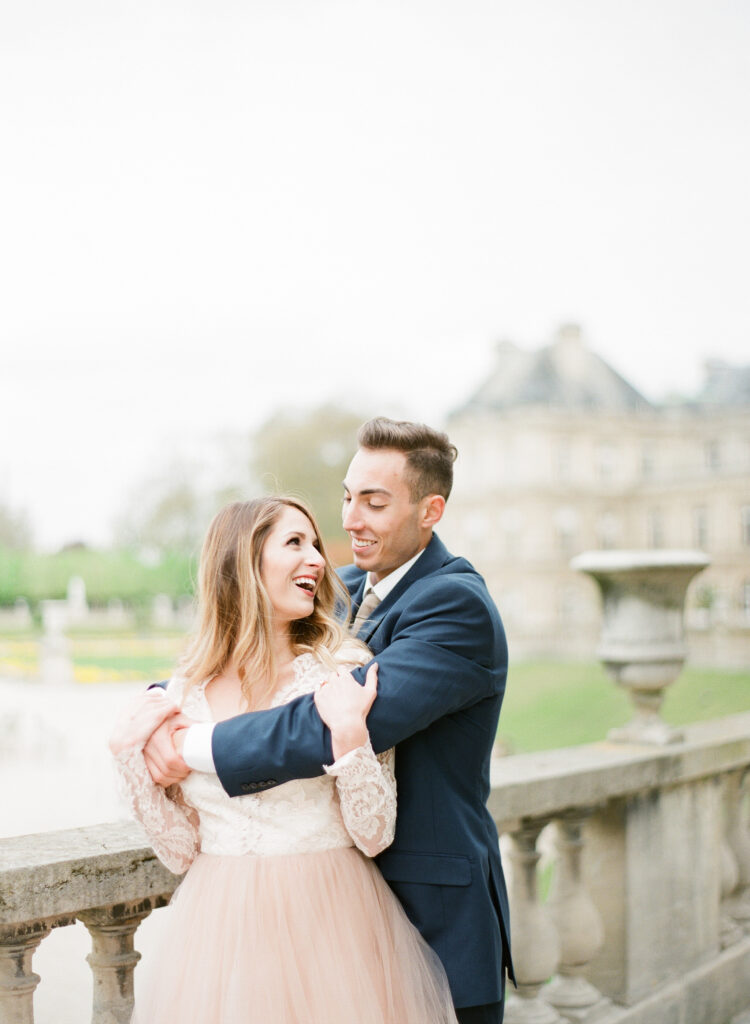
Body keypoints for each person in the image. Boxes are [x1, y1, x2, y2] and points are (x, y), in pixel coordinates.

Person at [145, 417, 514, 1024]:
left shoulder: (455, 605)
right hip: (311, 923)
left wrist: (191, 744)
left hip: (430, 914)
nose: (348, 521)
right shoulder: (338, 586)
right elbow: (240, 645)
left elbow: (320, 726)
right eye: (347, 497)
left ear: (431, 510)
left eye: (374, 502)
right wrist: (162, 704)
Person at [110, 497, 458, 1024]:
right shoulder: (183, 696)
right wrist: (130, 762)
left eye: (314, 543)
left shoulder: (342, 674)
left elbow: (374, 833)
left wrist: (349, 737)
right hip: (218, 937)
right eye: (295, 543)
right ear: (242, 563)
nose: (317, 558)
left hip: (332, 925)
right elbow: (182, 852)